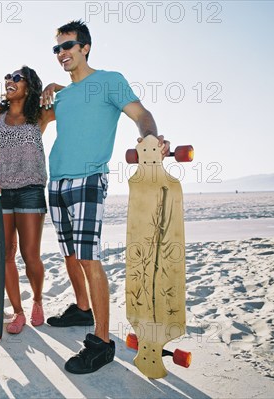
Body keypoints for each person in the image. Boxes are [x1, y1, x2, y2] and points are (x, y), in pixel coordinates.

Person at [40, 20, 170, 374]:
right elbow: (38, 122)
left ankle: (102, 342)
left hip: (88, 179)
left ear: (85, 48)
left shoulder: (109, 80)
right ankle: (82, 309)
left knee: (89, 257)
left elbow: (141, 115)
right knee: (70, 254)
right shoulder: (62, 95)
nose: (61, 53)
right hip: (57, 183)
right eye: (57, 48)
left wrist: (149, 139)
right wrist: (48, 90)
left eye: (67, 46)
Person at [0, 67, 54, 334]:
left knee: (30, 254)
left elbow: (76, 95)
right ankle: (18, 312)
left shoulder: (40, 115)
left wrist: (55, 87)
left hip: (31, 190)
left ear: (30, 85)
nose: (9, 81)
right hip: (1, 193)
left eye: (16, 78)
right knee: (5, 254)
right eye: (7, 78)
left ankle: (37, 300)